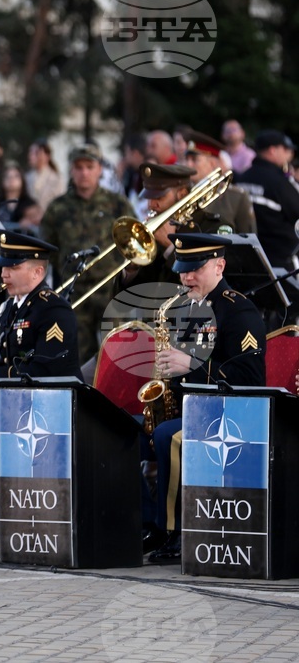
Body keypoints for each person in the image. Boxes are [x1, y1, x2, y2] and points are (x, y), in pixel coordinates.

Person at [143, 233, 266, 563]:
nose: (186, 278)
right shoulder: (185, 308)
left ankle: (175, 531)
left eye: (195, 269)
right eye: (182, 270)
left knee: (168, 437)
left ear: (219, 266)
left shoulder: (238, 310)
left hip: (227, 415)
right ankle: (146, 521)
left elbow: (250, 378)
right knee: (125, 432)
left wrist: (193, 366)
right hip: (190, 408)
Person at [0, 232, 83, 552]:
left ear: (38, 272)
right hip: (12, 400)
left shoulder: (53, 310)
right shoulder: (10, 307)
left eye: (13, 267)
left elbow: (45, 369)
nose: (4, 274)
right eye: (4, 267)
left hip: (45, 404)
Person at [40, 143, 136, 364]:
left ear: (99, 169)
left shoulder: (117, 204)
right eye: (79, 167)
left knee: (118, 351)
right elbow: (48, 246)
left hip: (110, 288)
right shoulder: (58, 207)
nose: (84, 173)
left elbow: (132, 240)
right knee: (77, 354)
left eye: (89, 167)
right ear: (71, 170)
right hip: (75, 290)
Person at [118, 163, 196, 293]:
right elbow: (129, 299)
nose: (151, 205)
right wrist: (132, 268)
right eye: (149, 198)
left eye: (159, 197)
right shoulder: (153, 235)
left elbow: (201, 287)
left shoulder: (205, 227)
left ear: (182, 195)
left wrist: (170, 248)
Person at [234, 130, 299, 271]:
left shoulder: (242, 178)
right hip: (280, 261)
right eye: (285, 149)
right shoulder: (279, 182)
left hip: (248, 257)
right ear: (272, 150)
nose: (289, 154)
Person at [182, 129, 256, 234]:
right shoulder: (181, 193)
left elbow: (248, 238)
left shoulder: (236, 197)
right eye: (186, 159)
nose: (188, 164)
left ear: (212, 163)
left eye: (194, 159)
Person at [25, 138, 66, 215]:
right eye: (30, 152)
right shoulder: (26, 178)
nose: (31, 156)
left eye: (36, 153)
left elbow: (60, 204)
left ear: (47, 156)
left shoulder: (57, 179)